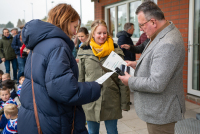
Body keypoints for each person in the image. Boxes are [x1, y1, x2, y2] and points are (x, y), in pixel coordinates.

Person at [18, 4, 101, 134]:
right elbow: (65, 91)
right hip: (52, 121)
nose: (75, 32)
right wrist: (94, 87)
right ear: (65, 21)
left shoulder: (40, 43)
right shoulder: (58, 45)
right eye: (74, 27)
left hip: (35, 117)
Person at [118, 1, 185, 134]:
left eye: (142, 25)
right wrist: (135, 63)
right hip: (158, 110)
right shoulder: (161, 33)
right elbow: (159, 62)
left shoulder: (168, 43)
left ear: (153, 22)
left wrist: (130, 80)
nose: (141, 29)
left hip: (161, 114)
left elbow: (156, 84)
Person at [77, 19, 130, 134]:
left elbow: (122, 79)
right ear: (93, 34)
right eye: (99, 33)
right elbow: (80, 78)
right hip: (90, 100)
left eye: (104, 33)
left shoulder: (116, 51)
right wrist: (78, 100)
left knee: (112, 131)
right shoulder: (84, 51)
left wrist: (125, 102)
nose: (102, 36)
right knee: (92, 131)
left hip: (111, 99)